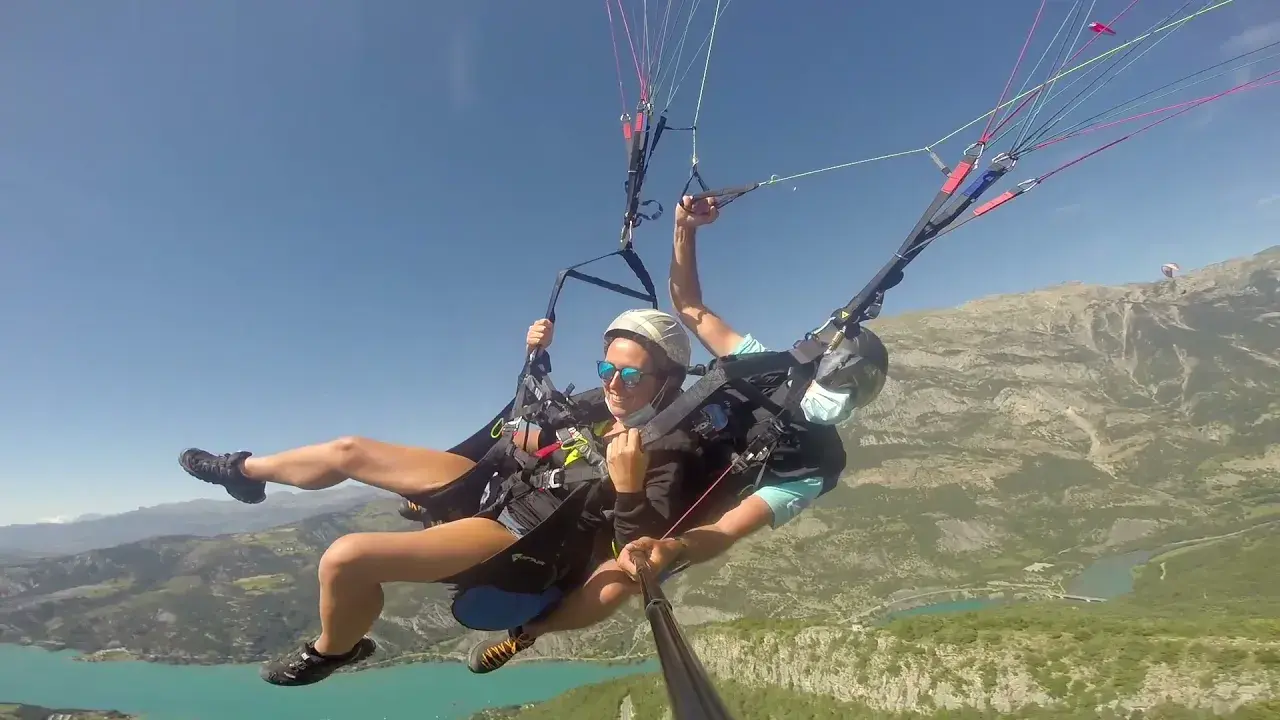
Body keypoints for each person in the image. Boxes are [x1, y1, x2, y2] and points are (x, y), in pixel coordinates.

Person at [462, 194, 889, 673]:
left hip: (682, 515)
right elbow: (689, 305)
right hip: (659, 450)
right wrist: (684, 228)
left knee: (624, 575)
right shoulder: (763, 367)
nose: (838, 398)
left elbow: (729, 528)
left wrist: (675, 549)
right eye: (837, 382)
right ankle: (457, 498)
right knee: (544, 441)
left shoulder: (814, 464)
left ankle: (528, 635)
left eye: (855, 392)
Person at [178, 308, 712, 686]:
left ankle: (334, 649)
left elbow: (636, 552)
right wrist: (535, 358)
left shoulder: (666, 449)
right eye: (607, 369)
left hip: (525, 535)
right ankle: (243, 472)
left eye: (631, 374)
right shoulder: (603, 405)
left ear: (665, 382)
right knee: (350, 449)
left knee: (346, 559)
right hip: (499, 484)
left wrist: (628, 484)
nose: (615, 384)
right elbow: (534, 408)